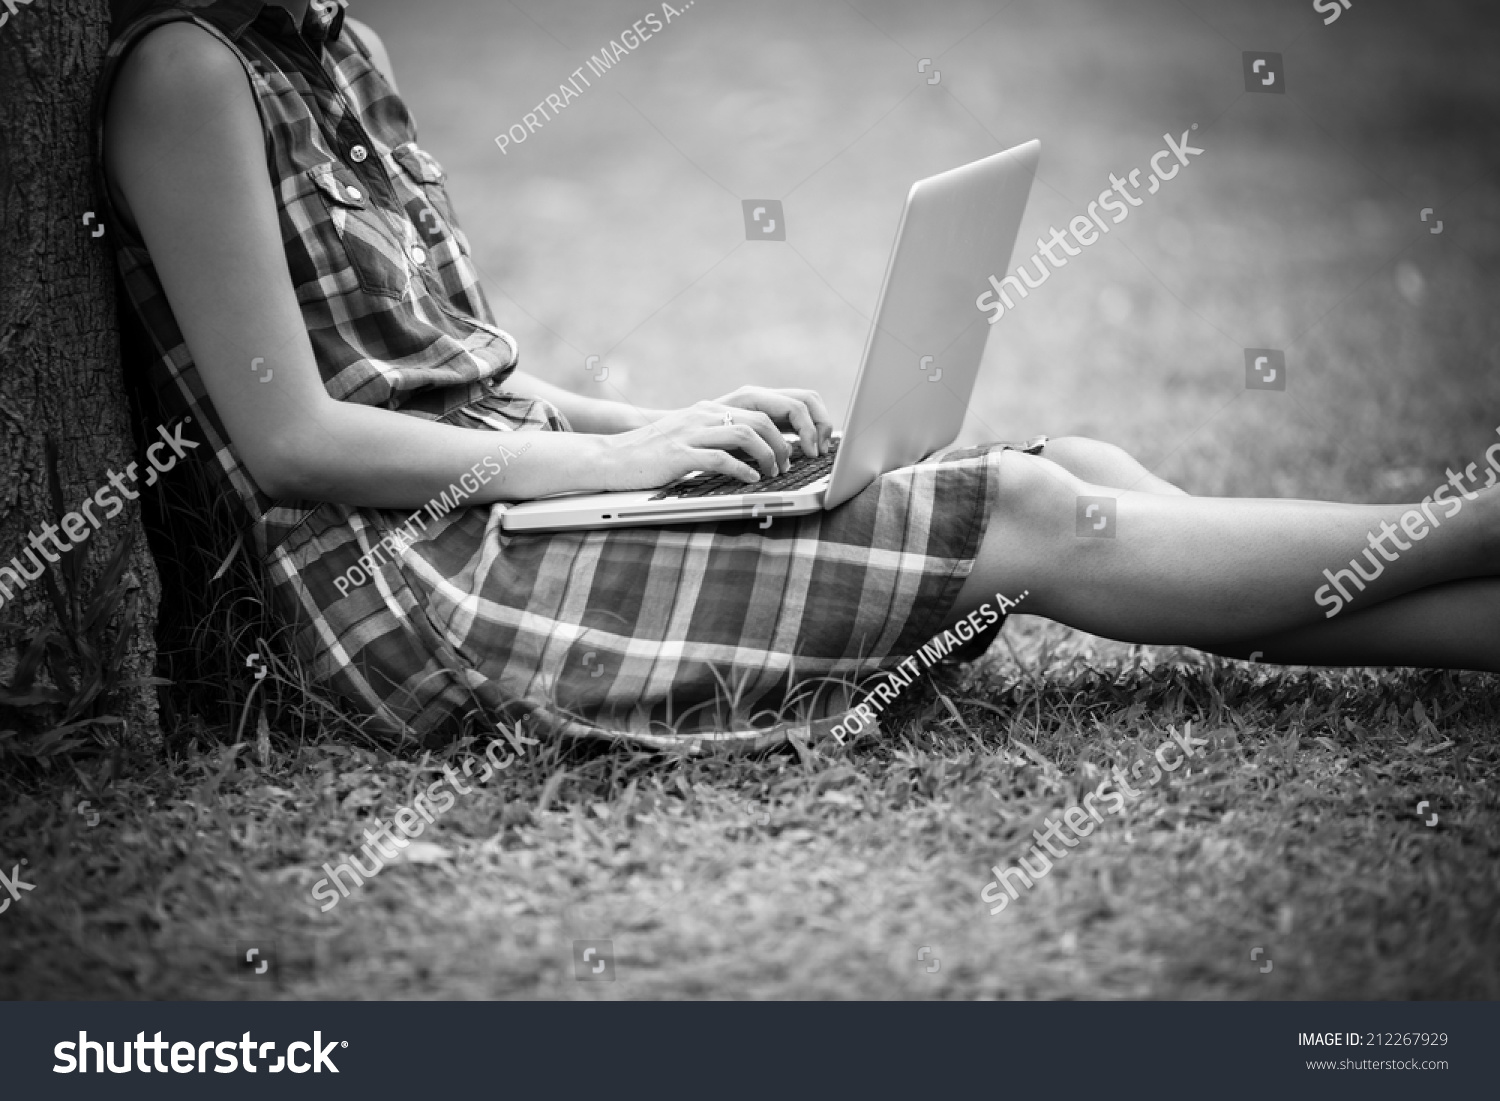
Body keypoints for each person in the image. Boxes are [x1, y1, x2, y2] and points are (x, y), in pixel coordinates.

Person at [95, 0, 1500, 749]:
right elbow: (291, 440)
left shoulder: (345, 50)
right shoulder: (186, 74)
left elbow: (469, 383)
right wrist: (608, 466)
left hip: (511, 505)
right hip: (409, 583)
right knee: (1030, 512)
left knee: (1077, 471)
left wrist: (679, 429)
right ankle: (1472, 525)